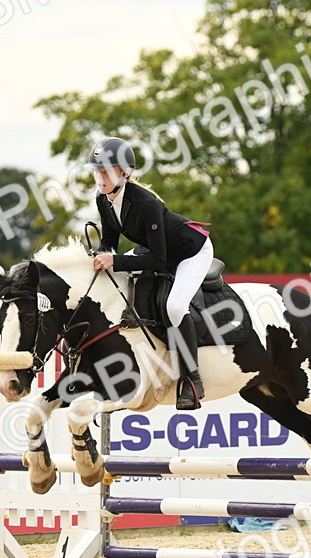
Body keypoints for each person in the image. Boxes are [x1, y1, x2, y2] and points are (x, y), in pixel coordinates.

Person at [87, 136, 213, 410]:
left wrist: (114, 261)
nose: (100, 177)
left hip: (190, 252)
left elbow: (158, 260)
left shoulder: (146, 203)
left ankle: (192, 380)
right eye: (97, 171)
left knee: (176, 307)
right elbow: (110, 243)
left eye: (106, 171)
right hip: (157, 251)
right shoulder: (103, 199)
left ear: (125, 172)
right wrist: (100, 255)